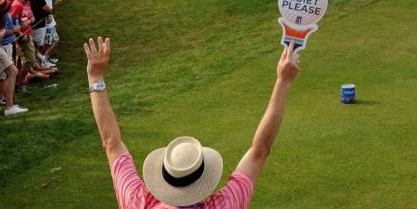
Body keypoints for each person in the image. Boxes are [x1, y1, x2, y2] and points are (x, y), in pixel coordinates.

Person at [86, 37, 299, 209]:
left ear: (164, 177)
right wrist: (283, 81)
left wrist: (96, 77)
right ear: (203, 180)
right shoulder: (225, 205)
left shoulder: (139, 203)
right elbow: (260, 150)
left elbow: (111, 142)